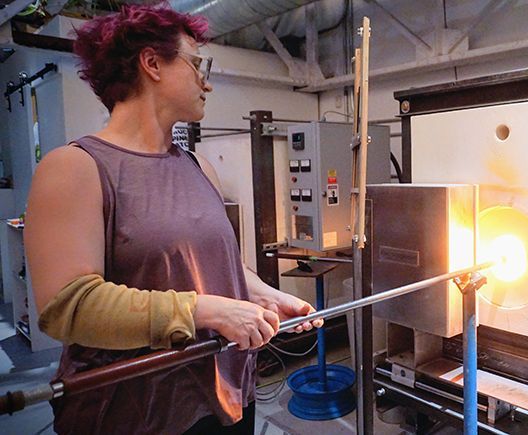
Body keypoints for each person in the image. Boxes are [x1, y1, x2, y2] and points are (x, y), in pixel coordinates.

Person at [23, 4, 321, 434]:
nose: (207, 82)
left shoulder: (199, 167)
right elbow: (70, 307)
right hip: (138, 411)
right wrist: (207, 310)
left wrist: (263, 294)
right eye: (197, 64)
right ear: (152, 63)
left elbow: (220, 264)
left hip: (226, 393)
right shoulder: (75, 167)